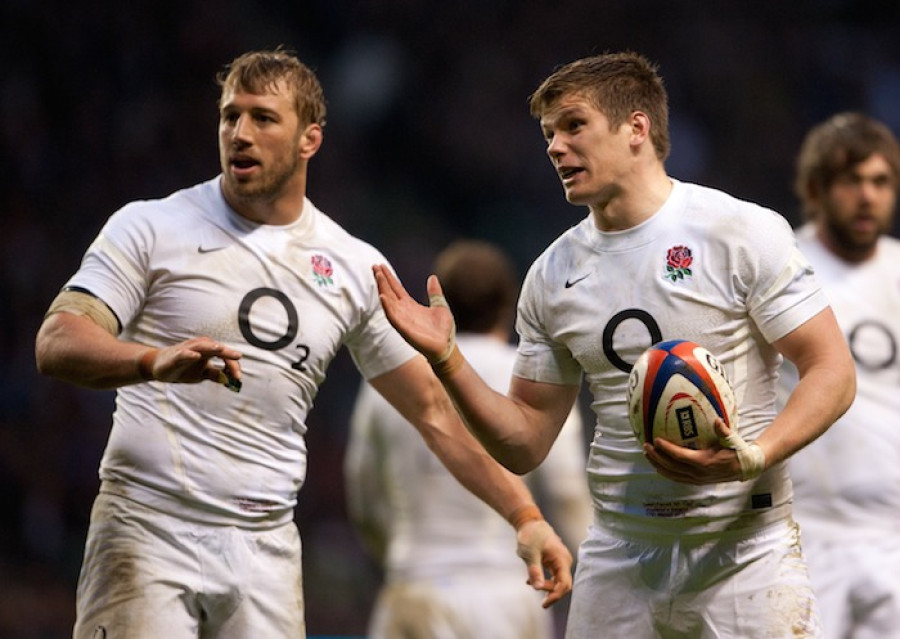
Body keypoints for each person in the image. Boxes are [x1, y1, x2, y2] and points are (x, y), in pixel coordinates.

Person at [32, 48, 573, 639]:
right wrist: (150, 361)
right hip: (146, 526)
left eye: (263, 118)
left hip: (265, 549)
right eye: (229, 116)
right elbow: (58, 340)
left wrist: (525, 516)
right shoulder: (151, 226)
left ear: (309, 139)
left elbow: (434, 414)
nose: (240, 133)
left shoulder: (351, 266)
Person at [373, 51, 857, 638]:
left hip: (746, 555)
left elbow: (831, 369)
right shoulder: (553, 274)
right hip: (620, 557)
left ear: (636, 128)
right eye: (548, 134)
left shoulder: (739, 230)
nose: (554, 146)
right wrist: (448, 361)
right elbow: (525, 442)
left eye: (573, 126)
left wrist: (755, 453)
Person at [346, 239, 593, 639]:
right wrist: (595, 573)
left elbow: (364, 494)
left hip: (414, 585)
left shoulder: (391, 382)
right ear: (506, 306)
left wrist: (396, 557)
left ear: (441, 304)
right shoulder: (530, 378)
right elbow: (566, 492)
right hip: (506, 591)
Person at [779, 112, 900, 638]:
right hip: (804, 532)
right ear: (815, 188)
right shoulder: (780, 271)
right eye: (852, 181)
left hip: (893, 533)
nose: (868, 197)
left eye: (881, 181)